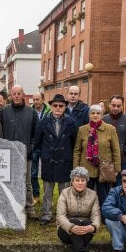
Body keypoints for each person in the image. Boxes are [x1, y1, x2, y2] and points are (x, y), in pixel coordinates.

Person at [34, 94, 77, 225]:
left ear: (65, 107)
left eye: (61, 106)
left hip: (64, 161)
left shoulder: (71, 122)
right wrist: (45, 155)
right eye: (55, 106)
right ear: (51, 106)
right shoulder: (43, 122)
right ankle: (46, 214)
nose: (58, 108)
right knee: (47, 191)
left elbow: (74, 142)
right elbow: (38, 141)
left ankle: (62, 215)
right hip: (49, 160)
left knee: (64, 191)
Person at [0, 85, 39, 220]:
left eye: (19, 93)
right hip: (8, 155)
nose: (16, 96)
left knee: (27, 182)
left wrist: (31, 147)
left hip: (25, 154)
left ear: (23, 95)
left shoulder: (31, 112)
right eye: (14, 93)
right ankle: (10, 206)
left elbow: (36, 133)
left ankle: (29, 208)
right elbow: (0, 132)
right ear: (11, 95)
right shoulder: (4, 111)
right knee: (8, 181)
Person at [73, 104, 121, 208]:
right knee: (86, 194)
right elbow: (77, 150)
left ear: (102, 115)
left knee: (103, 194)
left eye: (98, 113)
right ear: (89, 115)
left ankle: (104, 215)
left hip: (104, 168)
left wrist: (116, 169)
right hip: (85, 168)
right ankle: (86, 213)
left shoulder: (110, 129)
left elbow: (116, 150)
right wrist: (76, 168)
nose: (95, 115)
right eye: (93, 113)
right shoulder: (82, 130)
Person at [56, 167, 101, 252]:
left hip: (85, 231)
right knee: (75, 221)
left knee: (86, 223)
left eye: (83, 180)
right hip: (66, 230)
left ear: (87, 181)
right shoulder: (64, 193)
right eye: (77, 180)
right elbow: (60, 216)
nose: (80, 183)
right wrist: (71, 227)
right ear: (72, 181)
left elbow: (96, 215)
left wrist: (93, 227)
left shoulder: (93, 194)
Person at [102, 95, 126, 186]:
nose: (116, 108)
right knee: (104, 187)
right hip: (105, 161)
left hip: (122, 160)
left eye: (118, 106)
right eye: (113, 105)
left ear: (123, 106)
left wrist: (125, 149)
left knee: (120, 187)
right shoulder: (103, 119)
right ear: (109, 105)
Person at [30, 91, 51, 205]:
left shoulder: (49, 111)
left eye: (38, 99)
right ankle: (36, 195)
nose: (36, 102)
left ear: (43, 99)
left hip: (46, 145)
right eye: (34, 100)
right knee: (33, 172)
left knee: (46, 172)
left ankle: (47, 196)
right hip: (34, 146)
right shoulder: (29, 111)